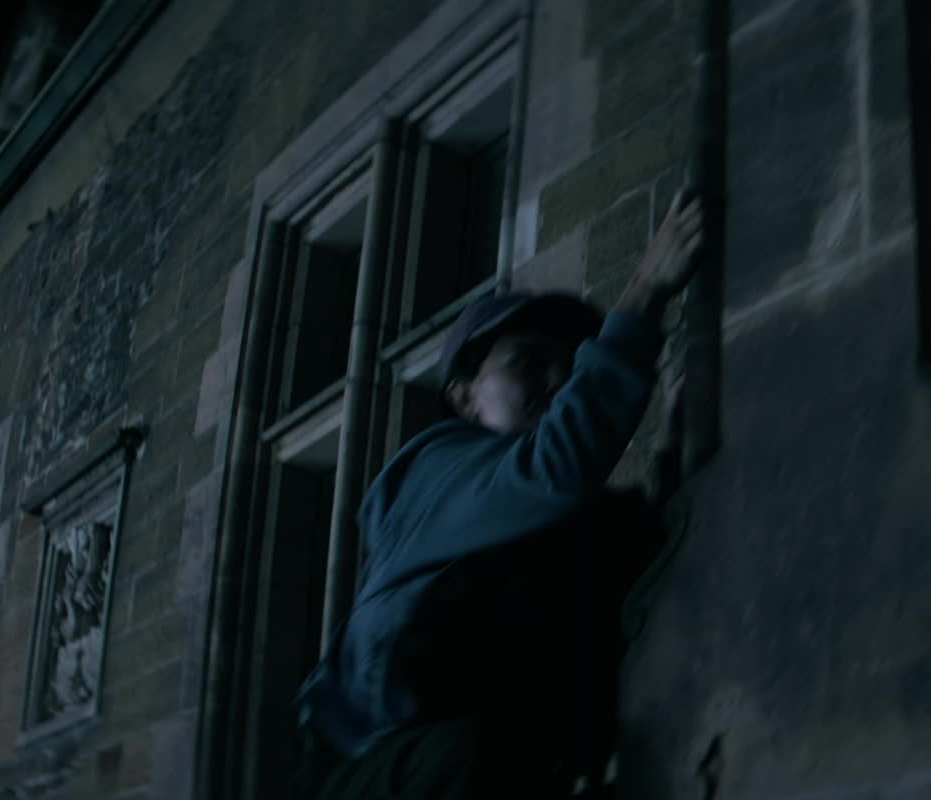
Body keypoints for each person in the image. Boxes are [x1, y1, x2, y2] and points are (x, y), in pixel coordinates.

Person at [293, 190, 707, 798]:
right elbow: (560, 463)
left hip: (469, 758)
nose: (557, 379)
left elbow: (627, 538)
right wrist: (646, 287)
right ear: (464, 398)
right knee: (476, 758)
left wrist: (674, 446)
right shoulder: (432, 468)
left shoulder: (538, 513)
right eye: (528, 362)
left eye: (569, 364)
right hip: (376, 767)